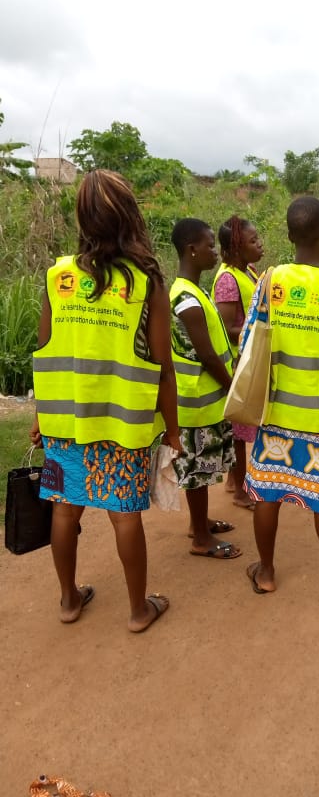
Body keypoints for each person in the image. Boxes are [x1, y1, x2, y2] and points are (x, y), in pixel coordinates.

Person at [30, 169, 180, 631]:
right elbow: (163, 367)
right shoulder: (145, 283)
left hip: (64, 422)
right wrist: (173, 430)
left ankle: (69, 600)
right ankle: (137, 611)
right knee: (124, 515)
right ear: (130, 217)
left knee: (64, 508)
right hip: (123, 424)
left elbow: (47, 351)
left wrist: (39, 416)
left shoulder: (59, 277)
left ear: (82, 218)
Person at [242, 196, 319, 603]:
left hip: (274, 410)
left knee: (267, 493)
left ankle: (266, 572)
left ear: (289, 235)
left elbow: (249, 340)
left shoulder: (269, 280)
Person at [169, 218, 241, 559]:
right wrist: (233, 387)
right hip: (196, 402)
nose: (215, 252)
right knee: (198, 471)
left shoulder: (193, 291)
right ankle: (200, 537)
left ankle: (201, 522)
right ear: (191, 250)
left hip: (204, 400)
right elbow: (208, 356)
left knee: (204, 466)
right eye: (210, 245)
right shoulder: (186, 298)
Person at [212, 215, 264, 510]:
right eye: (253, 241)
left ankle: (234, 480)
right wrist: (261, 331)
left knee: (240, 429)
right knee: (240, 432)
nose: (260, 244)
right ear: (235, 248)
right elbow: (226, 327)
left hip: (249, 359)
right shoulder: (228, 280)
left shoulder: (248, 271)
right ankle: (242, 491)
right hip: (237, 363)